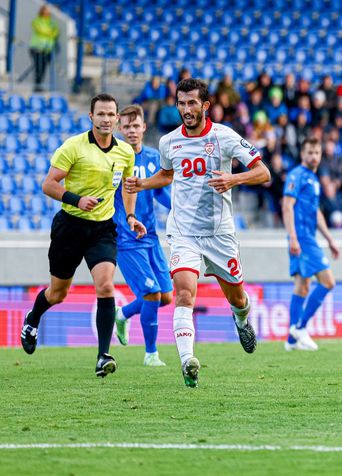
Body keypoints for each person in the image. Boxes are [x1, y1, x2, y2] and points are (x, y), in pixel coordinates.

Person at [125, 79, 271, 387]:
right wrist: (142, 184)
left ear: (205, 105)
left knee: (239, 298)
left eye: (192, 103)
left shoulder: (224, 137)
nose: (186, 109)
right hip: (184, 233)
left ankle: (242, 319)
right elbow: (166, 174)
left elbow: (263, 172)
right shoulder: (169, 142)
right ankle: (188, 360)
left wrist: (233, 179)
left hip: (220, 235)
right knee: (183, 293)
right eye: (181, 103)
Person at [21, 93, 147, 377]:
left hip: (102, 228)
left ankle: (104, 355)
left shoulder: (125, 152)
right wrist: (76, 199)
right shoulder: (73, 147)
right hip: (70, 225)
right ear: (91, 117)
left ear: (117, 119)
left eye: (110, 114)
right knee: (58, 293)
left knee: (105, 286)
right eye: (100, 114)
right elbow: (48, 184)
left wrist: (130, 216)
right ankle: (33, 317)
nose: (105, 119)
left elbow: (128, 187)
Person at [112, 104, 173, 367]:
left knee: (166, 296)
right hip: (127, 239)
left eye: (136, 126)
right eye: (126, 127)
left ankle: (123, 313)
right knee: (151, 295)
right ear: (119, 129)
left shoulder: (152, 157)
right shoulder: (115, 159)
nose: (132, 131)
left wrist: (178, 208)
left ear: (144, 127)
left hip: (152, 237)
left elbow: (158, 190)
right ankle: (151, 354)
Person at [282, 138, 340, 351]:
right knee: (328, 282)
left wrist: (330, 240)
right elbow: (287, 206)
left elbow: (315, 213)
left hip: (308, 237)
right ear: (302, 154)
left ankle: (291, 341)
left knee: (302, 286)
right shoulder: (297, 175)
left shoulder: (313, 179)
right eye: (310, 152)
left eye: (317, 152)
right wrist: (293, 237)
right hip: (302, 238)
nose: (314, 156)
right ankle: (300, 327)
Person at [29, 5, 59, 91]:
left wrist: (49, 32)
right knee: (39, 68)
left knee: (44, 69)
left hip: (47, 49)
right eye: (45, 11)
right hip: (37, 48)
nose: (47, 13)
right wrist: (50, 32)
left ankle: (39, 86)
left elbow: (56, 32)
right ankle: (37, 86)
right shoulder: (37, 21)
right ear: (41, 11)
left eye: (48, 11)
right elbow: (41, 31)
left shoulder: (52, 22)